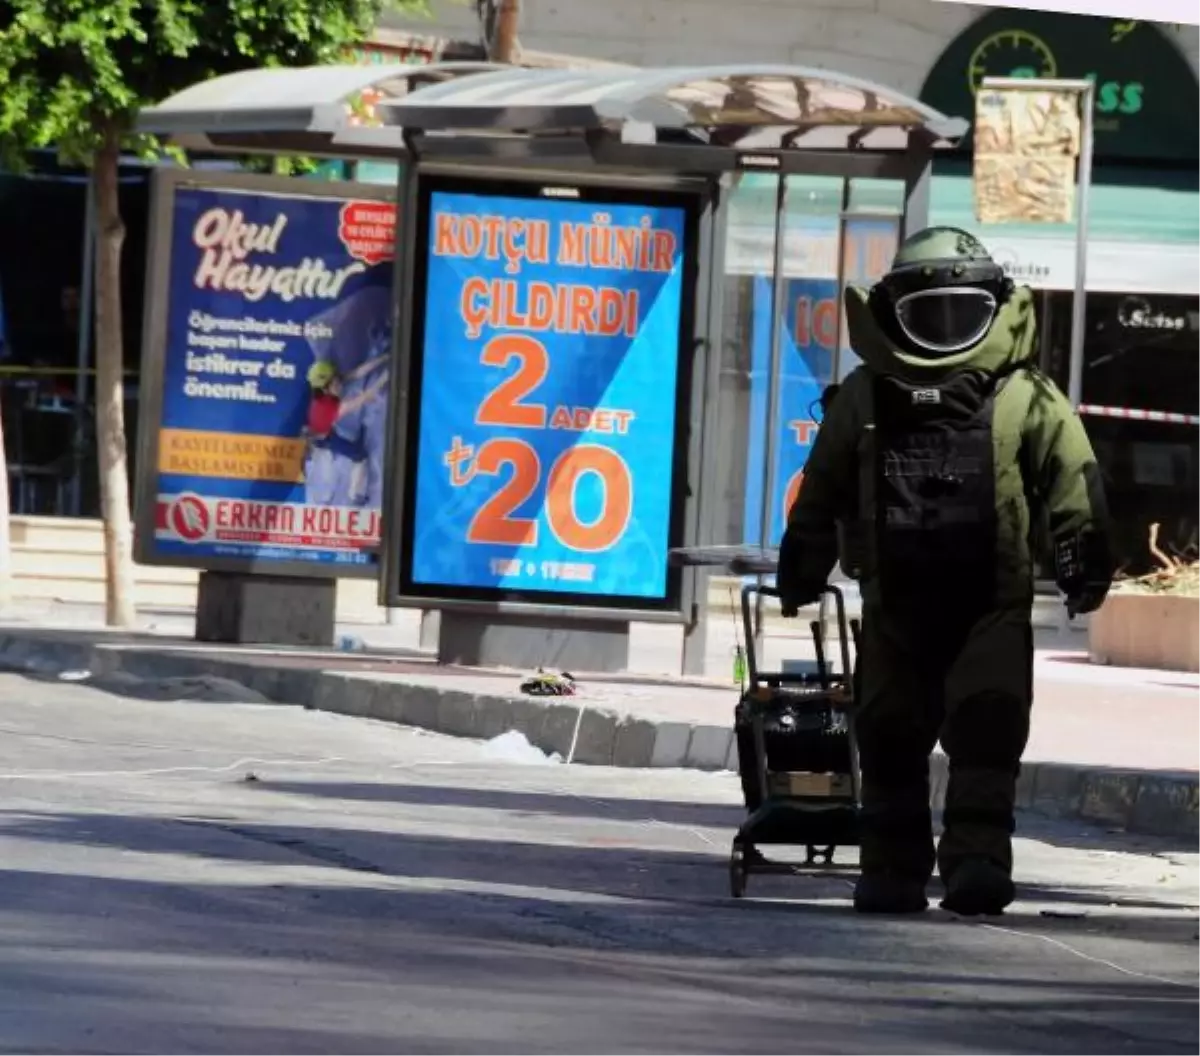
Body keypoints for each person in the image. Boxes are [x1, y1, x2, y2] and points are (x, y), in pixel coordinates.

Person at [776, 227, 1114, 917]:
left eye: (963, 309)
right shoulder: (871, 397)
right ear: (893, 310)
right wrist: (802, 566)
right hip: (906, 602)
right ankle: (897, 871)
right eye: (929, 311)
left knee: (983, 733)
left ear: (995, 306)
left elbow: (1074, 485)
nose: (947, 324)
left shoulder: (1021, 395)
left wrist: (1085, 564)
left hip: (984, 602)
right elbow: (823, 489)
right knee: (895, 737)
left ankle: (973, 867)